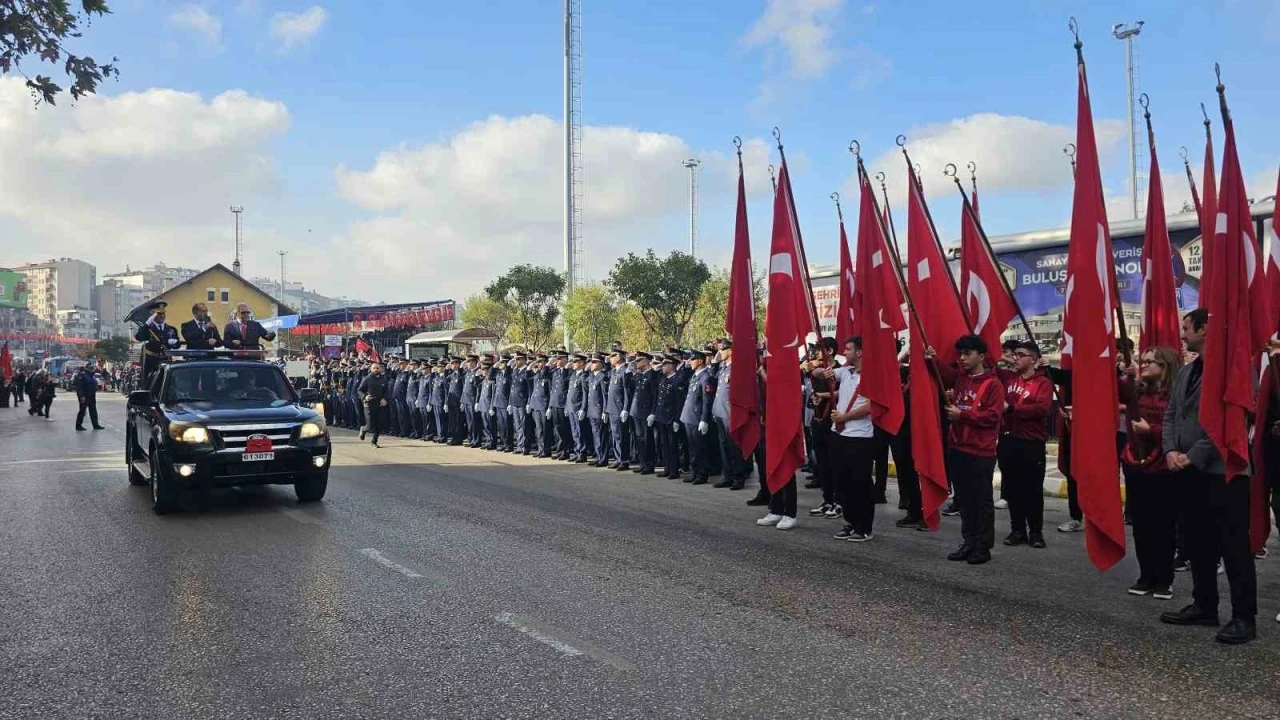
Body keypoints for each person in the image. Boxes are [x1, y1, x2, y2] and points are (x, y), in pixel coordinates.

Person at [1159, 309, 1257, 644]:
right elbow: (1172, 413)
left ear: (1203, 329)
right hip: (1188, 470)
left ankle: (1244, 617)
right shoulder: (1187, 371)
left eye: (1187, 328)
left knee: (1233, 547)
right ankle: (1205, 605)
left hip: (1223, 472)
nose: (1183, 334)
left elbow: (1231, 422)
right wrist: (1170, 450)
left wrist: (1193, 455)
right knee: (1197, 542)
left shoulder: (1234, 370)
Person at [933, 334, 1006, 565]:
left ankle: (983, 547)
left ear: (981, 356)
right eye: (960, 354)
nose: (962, 358)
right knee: (964, 499)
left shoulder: (993, 384)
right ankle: (969, 541)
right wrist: (931, 359)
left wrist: (962, 414)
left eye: (967, 354)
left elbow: (993, 416)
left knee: (981, 500)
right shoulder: (962, 378)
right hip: (958, 446)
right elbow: (942, 375)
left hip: (980, 451)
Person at [1121, 345, 1181, 600]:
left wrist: (1152, 431)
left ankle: (1164, 579)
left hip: (1163, 467)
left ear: (1165, 367)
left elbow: (1178, 430)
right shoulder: (1136, 391)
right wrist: (1122, 373)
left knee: (1163, 526)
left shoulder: (1175, 396)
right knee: (1141, 525)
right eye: (1142, 361)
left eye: (1150, 362)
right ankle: (1146, 575)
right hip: (1136, 464)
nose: (1143, 365)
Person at [996, 340, 1054, 549]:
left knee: (1032, 489)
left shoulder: (1043, 383)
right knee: (1012, 487)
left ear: (1034, 360)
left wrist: (1011, 409)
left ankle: (1036, 532)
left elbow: (1042, 409)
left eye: (1021, 354)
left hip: (1031, 443)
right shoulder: (1008, 377)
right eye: (1014, 354)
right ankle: (1017, 529)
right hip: (1008, 440)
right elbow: (989, 362)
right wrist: (1003, 357)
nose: (1016, 358)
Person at [826, 337, 876, 542]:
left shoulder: (871, 376)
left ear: (860, 352)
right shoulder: (846, 371)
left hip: (859, 436)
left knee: (860, 483)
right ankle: (850, 521)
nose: (844, 353)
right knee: (842, 481)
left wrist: (845, 417)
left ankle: (864, 527)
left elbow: (871, 405)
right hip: (840, 434)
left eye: (848, 349)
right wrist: (824, 370)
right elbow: (820, 373)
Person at [806, 338, 840, 517]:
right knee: (822, 465)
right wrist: (815, 398)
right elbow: (813, 392)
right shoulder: (817, 371)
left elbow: (842, 393)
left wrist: (823, 395)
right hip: (818, 421)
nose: (816, 353)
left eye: (820, 350)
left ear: (830, 351)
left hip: (834, 423)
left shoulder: (840, 370)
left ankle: (838, 501)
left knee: (835, 464)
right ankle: (827, 500)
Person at [679, 349, 714, 485]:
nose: (690, 362)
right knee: (693, 447)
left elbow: (707, 400)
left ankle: (701, 473)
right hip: (689, 417)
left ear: (700, 361)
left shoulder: (706, 377)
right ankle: (694, 472)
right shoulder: (695, 376)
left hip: (697, 417)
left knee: (701, 448)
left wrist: (704, 419)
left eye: (692, 359)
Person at [627, 351, 660, 475]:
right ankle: (642, 463)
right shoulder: (638, 375)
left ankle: (649, 464)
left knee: (647, 440)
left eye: (638, 361)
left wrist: (653, 412)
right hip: (636, 411)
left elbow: (655, 395)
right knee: (639, 440)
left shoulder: (653, 375)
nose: (636, 363)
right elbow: (628, 386)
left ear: (646, 361)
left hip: (646, 412)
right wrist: (628, 372)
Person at [134, 301, 179, 382]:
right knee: (148, 383)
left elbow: (177, 345)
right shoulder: (147, 329)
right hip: (151, 361)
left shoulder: (171, 329)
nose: (162, 316)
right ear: (152, 314)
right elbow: (139, 337)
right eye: (159, 314)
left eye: (163, 313)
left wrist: (174, 343)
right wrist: (147, 323)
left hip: (166, 359)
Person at [605, 349, 633, 471]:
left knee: (622, 436)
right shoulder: (613, 371)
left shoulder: (624, 372)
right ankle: (617, 458)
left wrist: (626, 408)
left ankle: (624, 460)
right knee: (615, 435)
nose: (610, 358)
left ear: (619, 357)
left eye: (612, 356)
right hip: (612, 408)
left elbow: (627, 393)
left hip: (619, 408)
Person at [358, 362, 389, 447]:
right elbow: (360, 390)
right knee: (370, 425)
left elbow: (386, 391)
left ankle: (374, 441)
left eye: (377, 368)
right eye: (374, 368)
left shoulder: (383, 379)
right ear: (371, 369)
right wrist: (365, 397)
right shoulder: (367, 378)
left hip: (380, 404)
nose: (376, 370)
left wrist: (385, 398)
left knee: (380, 424)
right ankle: (364, 429)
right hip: (369, 404)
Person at [586, 355, 608, 466]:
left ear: (600, 364)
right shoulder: (591, 376)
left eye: (594, 362)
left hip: (599, 410)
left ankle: (603, 458)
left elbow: (605, 396)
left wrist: (605, 411)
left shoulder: (603, 377)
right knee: (595, 435)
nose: (592, 364)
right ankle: (598, 456)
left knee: (601, 436)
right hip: (591, 410)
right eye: (591, 362)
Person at [73, 360, 104, 431]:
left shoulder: (92, 376)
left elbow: (94, 384)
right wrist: (82, 396)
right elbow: (80, 387)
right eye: (90, 368)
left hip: (92, 395)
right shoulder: (81, 375)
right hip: (84, 396)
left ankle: (95, 425)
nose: (92, 369)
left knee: (93, 410)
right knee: (82, 411)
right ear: (86, 368)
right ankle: (78, 425)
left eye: (92, 368)